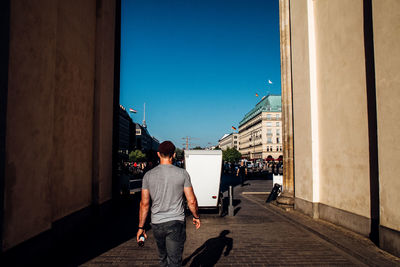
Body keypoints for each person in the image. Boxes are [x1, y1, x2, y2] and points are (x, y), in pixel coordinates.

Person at [137, 141, 201, 267]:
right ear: (173, 155)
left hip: (156, 223)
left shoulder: (148, 176)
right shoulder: (182, 174)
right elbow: (191, 200)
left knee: (162, 258)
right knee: (175, 261)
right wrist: (196, 216)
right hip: (175, 222)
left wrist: (141, 227)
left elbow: (144, 204)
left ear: (158, 154)